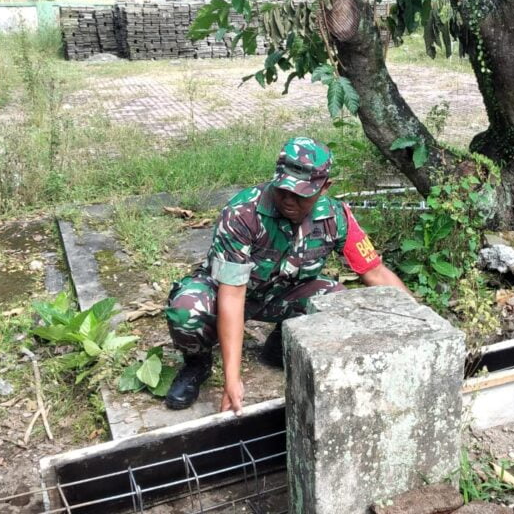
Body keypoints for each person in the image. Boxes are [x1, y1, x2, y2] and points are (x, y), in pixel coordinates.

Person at [164, 137, 408, 412]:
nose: (289, 201)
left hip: (284, 294)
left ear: (325, 187)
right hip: (227, 292)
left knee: (338, 302)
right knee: (187, 311)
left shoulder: (336, 217)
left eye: (301, 194)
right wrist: (232, 380)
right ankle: (197, 364)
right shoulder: (243, 213)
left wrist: (418, 322)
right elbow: (232, 294)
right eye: (283, 191)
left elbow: (375, 272)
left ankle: (282, 344)